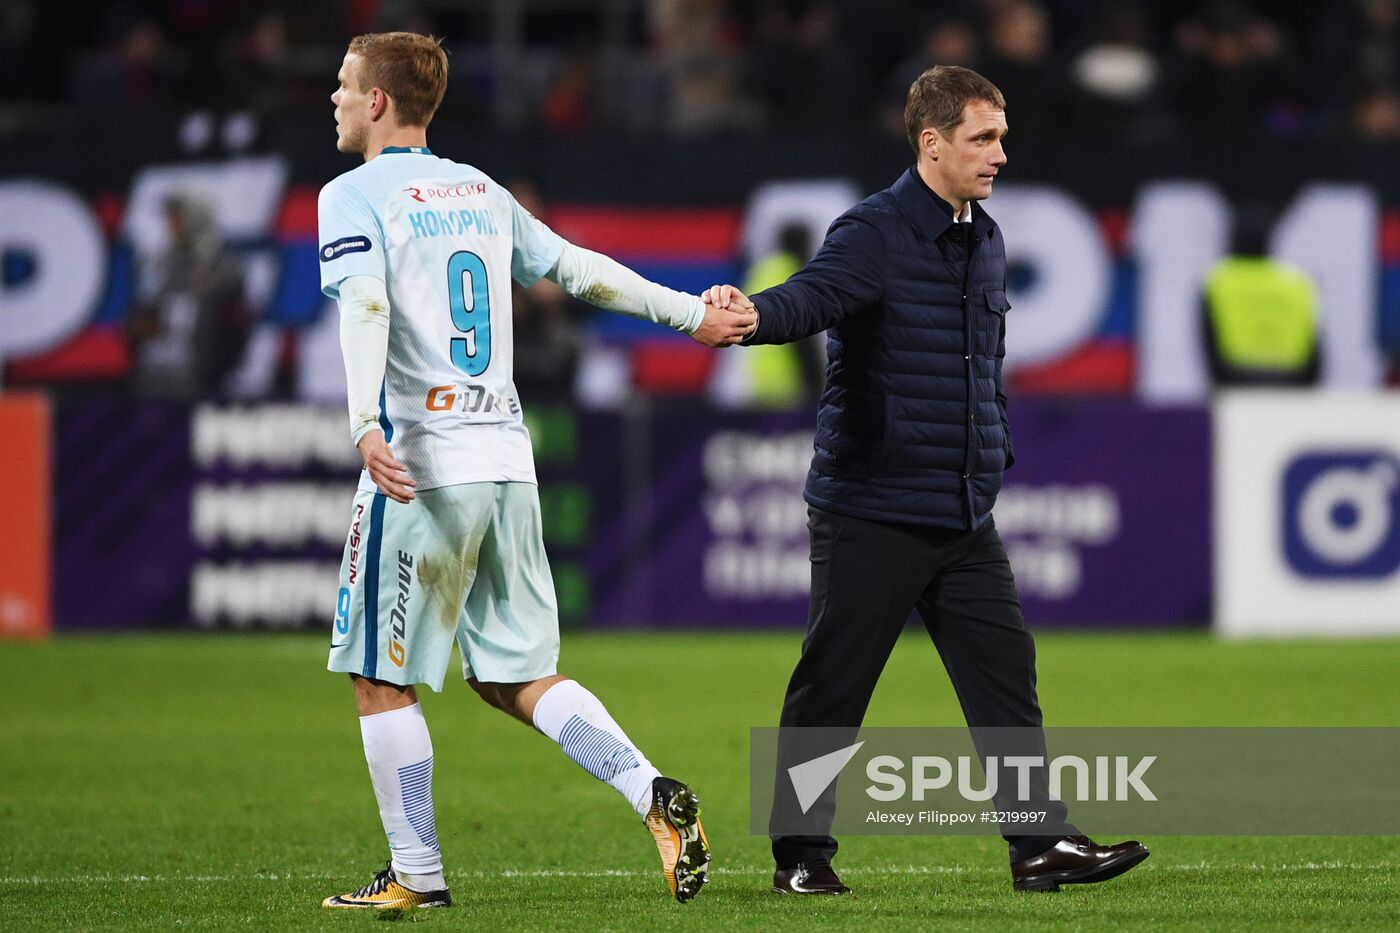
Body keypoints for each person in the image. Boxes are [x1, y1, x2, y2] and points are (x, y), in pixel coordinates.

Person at [316, 31, 754, 910]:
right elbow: (575, 269)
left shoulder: (351, 194)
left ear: (377, 102)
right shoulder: (480, 189)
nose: (332, 98)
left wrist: (364, 421)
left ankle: (418, 875)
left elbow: (364, 302)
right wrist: (687, 314)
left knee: (380, 675)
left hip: (422, 460)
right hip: (507, 461)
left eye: (342, 85)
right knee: (511, 673)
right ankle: (652, 793)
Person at [704, 65, 1149, 895]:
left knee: (1006, 674)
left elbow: (983, 366)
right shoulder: (872, 231)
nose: (1001, 154)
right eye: (983, 138)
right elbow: (814, 295)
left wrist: (992, 450)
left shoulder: (986, 235)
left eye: (1002, 136)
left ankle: (1039, 844)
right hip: (872, 502)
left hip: (962, 507)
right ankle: (800, 855)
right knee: (836, 684)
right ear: (931, 143)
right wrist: (756, 316)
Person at [1200, 203, 1321, 387]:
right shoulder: (1297, 282)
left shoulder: (1218, 281)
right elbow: (1316, 351)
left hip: (1237, 382)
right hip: (1292, 385)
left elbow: (1209, 344)